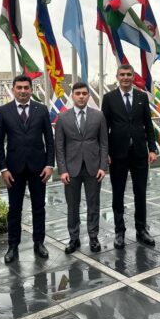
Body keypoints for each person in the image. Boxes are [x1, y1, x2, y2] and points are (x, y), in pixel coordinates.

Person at [0, 75, 54, 263]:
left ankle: (39, 243)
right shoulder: (3, 111)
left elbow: (49, 140)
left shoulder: (41, 109)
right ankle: (13, 246)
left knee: (39, 207)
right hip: (14, 169)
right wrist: (3, 169)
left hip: (39, 168)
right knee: (14, 209)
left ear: (31, 89)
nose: (22, 91)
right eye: (19, 87)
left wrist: (49, 165)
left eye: (26, 87)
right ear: (13, 89)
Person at [101, 64, 158, 249]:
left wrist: (152, 149)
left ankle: (141, 229)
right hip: (117, 154)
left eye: (128, 74)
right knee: (118, 193)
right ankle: (120, 231)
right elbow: (104, 128)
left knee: (140, 192)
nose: (125, 77)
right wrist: (105, 152)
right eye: (122, 74)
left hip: (139, 153)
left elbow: (148, 124)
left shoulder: (142, 97)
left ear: (133, 77)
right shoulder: (109, 98)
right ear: (117, 77)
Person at [55, 82, 108, 254]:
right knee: (72, 206)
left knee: (93, 204)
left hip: (93, 168)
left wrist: (103, 166)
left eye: (84, 93)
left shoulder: (99, 116)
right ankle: (74, 238)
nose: (81, 96)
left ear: (88, 96)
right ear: (72, 96)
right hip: (71, 169)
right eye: (78, 93)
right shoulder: (63, 118)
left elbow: (104, 143)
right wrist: (62, 170)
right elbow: (59, 146)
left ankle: (93, 238)